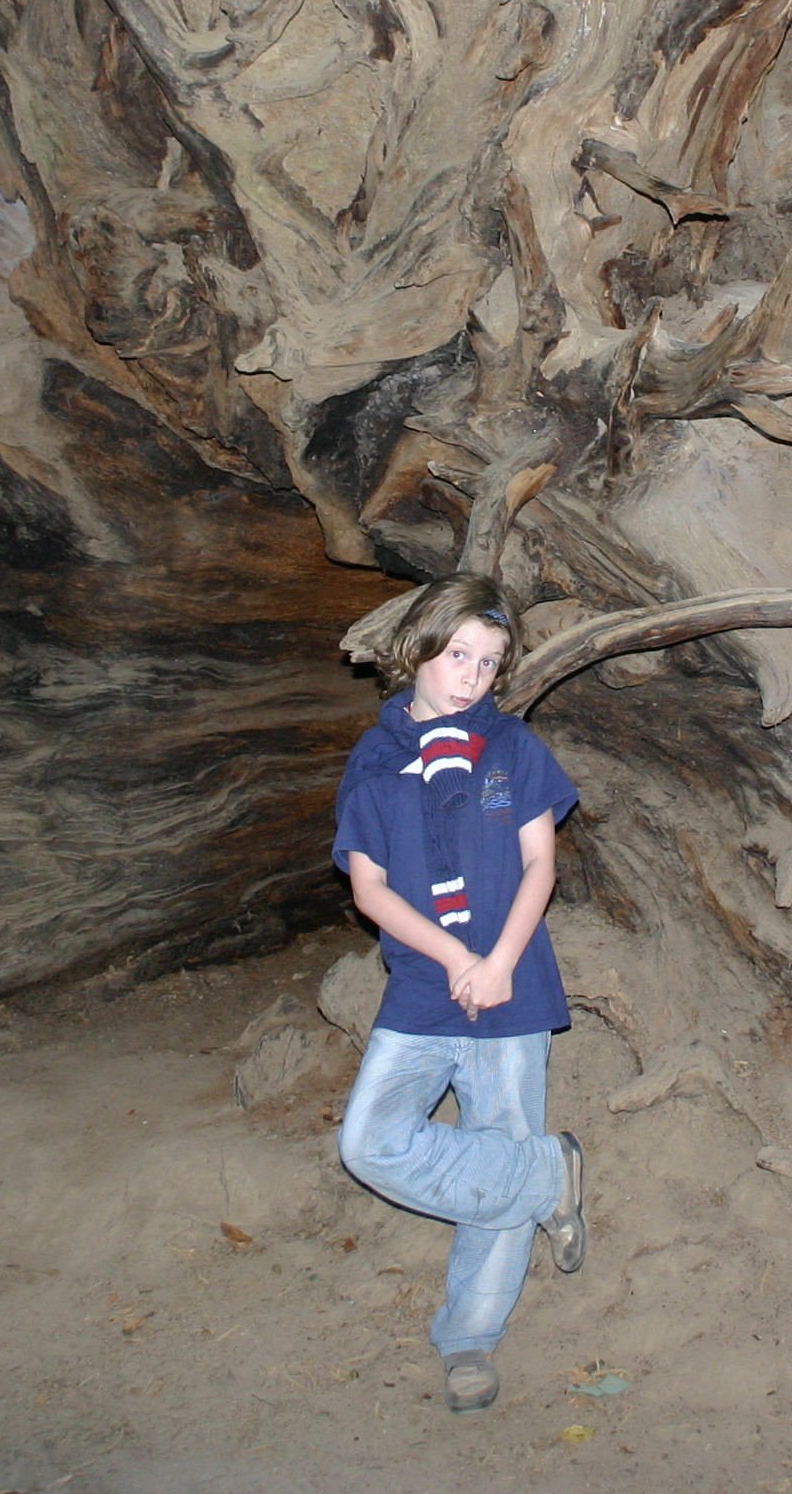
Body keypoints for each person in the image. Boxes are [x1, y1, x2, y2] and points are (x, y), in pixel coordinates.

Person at [332, 573, 588, 1414]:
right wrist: (453, 958)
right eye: (458, 656)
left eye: (489, 662)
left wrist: (499, 961)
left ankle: (471, 1338)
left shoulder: (512, 746)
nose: (472, 676)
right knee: (370, 1142)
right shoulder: (376, 761)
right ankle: (544, 1178)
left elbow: (540, 864)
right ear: (417, 649)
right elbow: (370, 889)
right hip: (422, 983)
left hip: (513, 981)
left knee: (494, 1137)